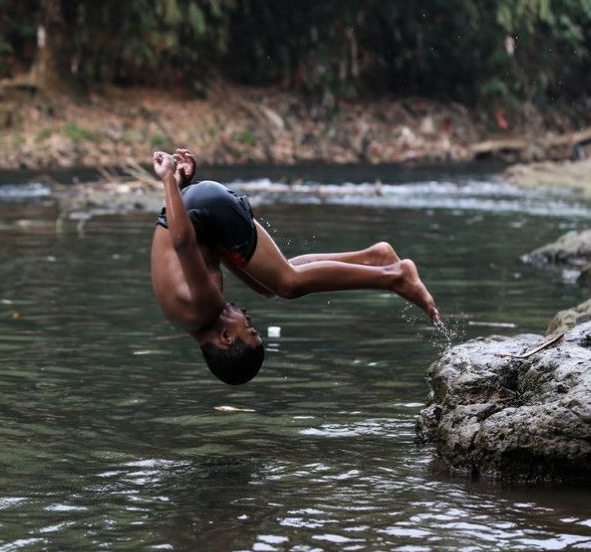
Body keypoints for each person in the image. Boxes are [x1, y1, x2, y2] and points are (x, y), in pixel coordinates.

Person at [150, 148, 439, 385]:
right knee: (271, 285)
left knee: (288, 283)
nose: (248, 317)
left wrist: (169, 182)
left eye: (248, 327)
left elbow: (183, 243)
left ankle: (395, 277)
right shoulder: (188, 320)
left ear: (225, 338)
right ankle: (373, 258)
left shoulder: (201, 308)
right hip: (201, 214)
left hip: (204, 211)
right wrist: (183, 185)